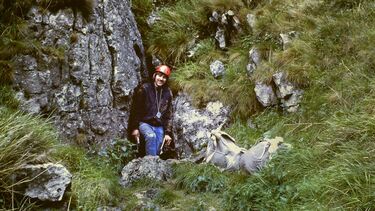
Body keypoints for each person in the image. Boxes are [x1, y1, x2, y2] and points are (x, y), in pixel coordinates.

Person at [128, 65, 174, 156]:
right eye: (159, 76)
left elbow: (168, 115)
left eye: (164, 77)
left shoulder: (167, 93)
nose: (161, 79)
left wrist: (168, 133)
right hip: (144, 123)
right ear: (155, 76)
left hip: (158, 125)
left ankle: (152, 164)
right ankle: (152, 166)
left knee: (159, 144)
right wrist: (135, 128)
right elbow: (136, 109)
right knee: (151, 136)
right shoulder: (145, 89)